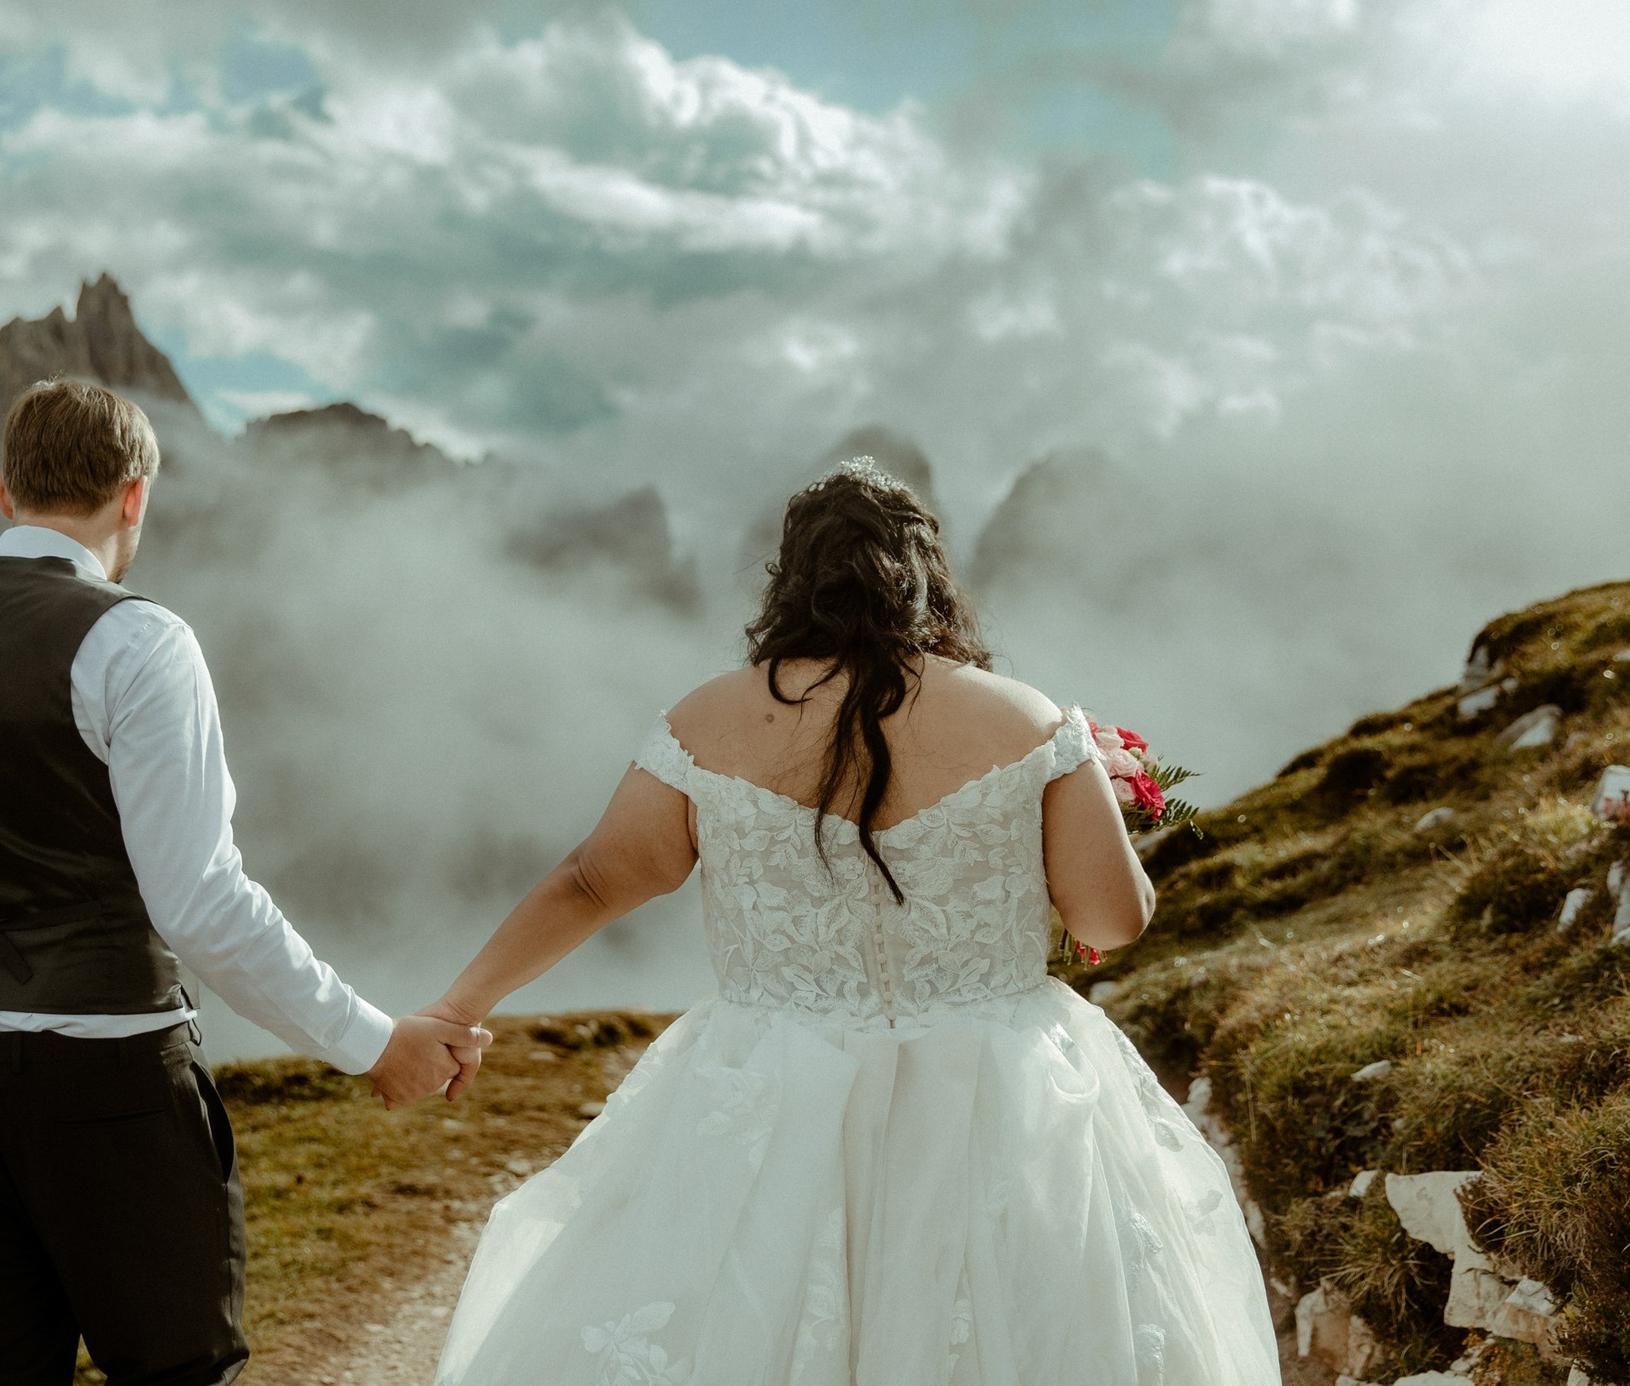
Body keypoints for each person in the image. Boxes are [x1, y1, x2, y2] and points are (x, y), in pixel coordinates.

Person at [424, 459, 1279, 1385]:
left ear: (789, 582)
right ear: (927, 578)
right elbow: (1111, 919)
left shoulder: (706, 722)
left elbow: (593, 880)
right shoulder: (1029, 723)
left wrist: (459, 1008)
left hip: (770, 1084)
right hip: (999, 1090)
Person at [0, 377, 489, 1386]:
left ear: (5, 493)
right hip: (113, 1098)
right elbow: (199, 900)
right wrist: (369, 1043)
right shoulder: (139, 643)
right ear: (134, 495)